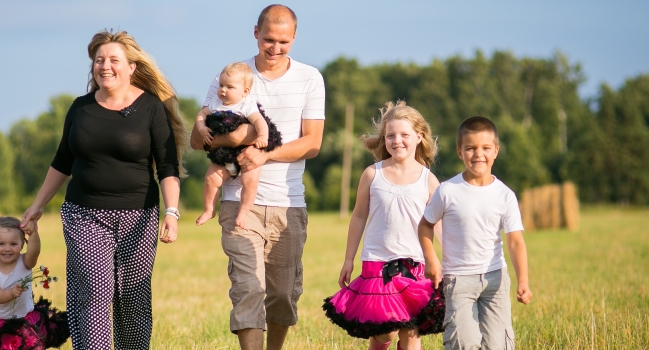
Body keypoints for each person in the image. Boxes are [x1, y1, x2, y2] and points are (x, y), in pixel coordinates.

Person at [19, 30, 188, 350]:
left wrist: (171, 212)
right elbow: (62, 161)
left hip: (139, 217)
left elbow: (167, 167)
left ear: (131, 68)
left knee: (133, 298)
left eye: (113, 60)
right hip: (84, 215)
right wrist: (37, 206)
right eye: (99, 60)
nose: (105, 66)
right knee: (95, 290)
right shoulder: (80, 109)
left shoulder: (151, 108)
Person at [189, 4, 325, 350]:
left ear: (294, 38)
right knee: (248, 287)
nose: (275, 48)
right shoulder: (231, 76)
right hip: (237, 202)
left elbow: (313, 142)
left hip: (287, 202)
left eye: (283, 42)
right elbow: (195, 139)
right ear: (255, 33)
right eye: (268, 40)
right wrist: (236, 139)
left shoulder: (310, 78)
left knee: (281, 295)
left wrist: (265, 154)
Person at [322, 101, 445, 350]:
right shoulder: (372, 174)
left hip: (415, 265)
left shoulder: (429, 180)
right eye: (390, 136)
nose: (397, 141)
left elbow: (439, 225)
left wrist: (450, 260)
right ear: (384, 139)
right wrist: (348, 259)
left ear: (419, 137)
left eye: (404, 135)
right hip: (377, 264)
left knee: (411, 333)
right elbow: (358, 217)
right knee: (385, 330)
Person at [418, 116, 533, 349]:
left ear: (496, 151)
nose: (478, 154)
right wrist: (431, 258)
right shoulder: (447, 191)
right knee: (463, 343)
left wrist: (523, 280)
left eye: (485, 148)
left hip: (495, 279)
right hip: (458, 280)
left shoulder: (505, 195)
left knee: (498, 345)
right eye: (470, 148)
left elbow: (516, 242)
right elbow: (425, 225)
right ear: (460, 152)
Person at [194, 61, 282, 229]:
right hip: (226, 157)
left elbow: (259, 122)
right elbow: (201, 114)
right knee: (211, 179)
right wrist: (202, 128)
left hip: (246, 154)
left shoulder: (246, 104)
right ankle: (209, 209)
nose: (223, 90)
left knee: (250, 182)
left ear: (245, 91)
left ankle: (243, 212)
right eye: (221, 85)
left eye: (229, 87)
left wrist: (263, 136)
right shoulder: (215, 103)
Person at [0, 217, 69, 350]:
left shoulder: (25, 261)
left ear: (22, 245)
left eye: (13, 244)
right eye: (1, 244)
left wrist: (33, 233)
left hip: (24, 318)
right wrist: (10, 293)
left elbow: (34, 252)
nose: (7, 248)